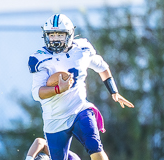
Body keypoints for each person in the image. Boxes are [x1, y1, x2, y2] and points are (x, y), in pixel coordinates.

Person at [28, 14, 134, 160]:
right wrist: (59, 89)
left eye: (60, 35)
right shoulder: (40, 58)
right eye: (51, 35)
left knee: (94, 146)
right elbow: (37, 93)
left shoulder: (82, 50)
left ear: (70, 34)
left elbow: (102, 68)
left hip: (79, 109)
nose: (55, 39)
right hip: (54, 120)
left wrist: (113, 91)